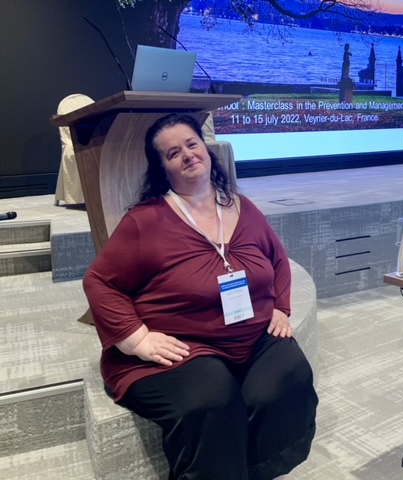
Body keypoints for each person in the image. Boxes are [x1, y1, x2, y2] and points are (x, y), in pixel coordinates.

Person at [83, 113, 318, 480]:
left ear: (206, 151)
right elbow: (99, 282)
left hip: (253, 335)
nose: (188, 154)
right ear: (162, 168)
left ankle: (255, 471)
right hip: (184, 343)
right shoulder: (146, 221)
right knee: (211, 402)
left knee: (289, 380)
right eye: (173, 152)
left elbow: (277, 259)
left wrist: (281, 307)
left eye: (192, 144)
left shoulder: (241, 207)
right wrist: (136, 339)